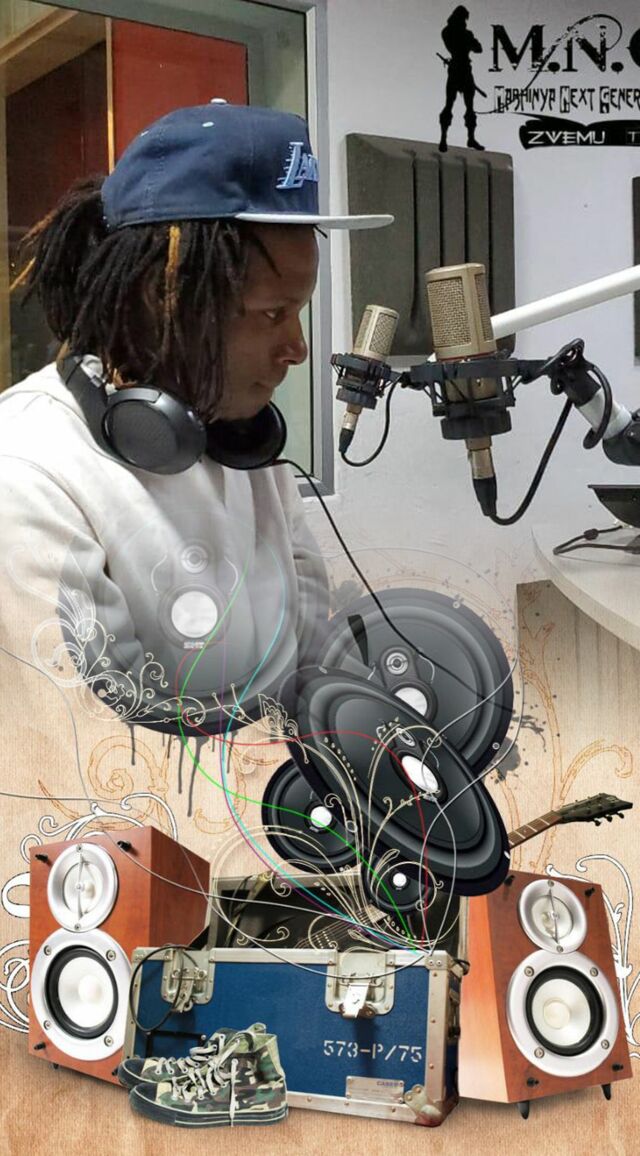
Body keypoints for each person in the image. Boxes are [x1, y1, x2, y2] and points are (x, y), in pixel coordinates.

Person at [0, 100, 392, 737]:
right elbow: (98, 742)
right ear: (164, 300)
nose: (298, 348)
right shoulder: (26, 469)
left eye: (299, 312)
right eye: (272, 313)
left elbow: (310, 651)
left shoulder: (242, 442)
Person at [438, 5, 485, 152]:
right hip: (459, 70)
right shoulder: (457, 33)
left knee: (467, 107)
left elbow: (479, 49)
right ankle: (445, 138)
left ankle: (469, 138)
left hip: (461, 70)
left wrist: (469, 42)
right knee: (451, 105)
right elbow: (476, 48)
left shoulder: (452, 32)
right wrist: (468, 42)